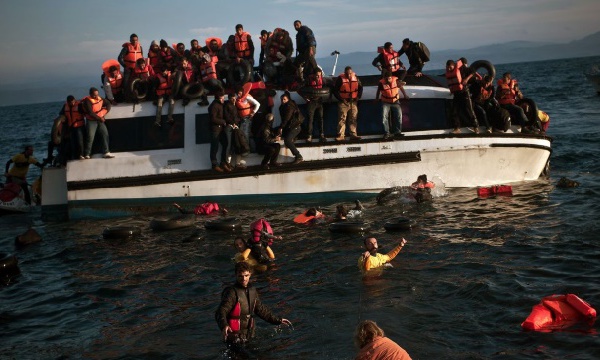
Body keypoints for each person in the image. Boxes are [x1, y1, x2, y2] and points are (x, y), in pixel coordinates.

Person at [215, 262, 292, 357]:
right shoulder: (231, 293)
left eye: (246, 275)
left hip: (248, 336)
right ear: (236, 275)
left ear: (250, 274)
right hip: (234, 338)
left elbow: (261, 310)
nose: (244, 279)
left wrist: (277, 320)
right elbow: (220, 311)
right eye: (240, 276)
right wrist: (224, 326)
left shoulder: (252, 291)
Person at [445, 59, 478, 134]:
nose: (449, 69)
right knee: (454, 110)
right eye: (448, 68)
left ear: (454, 66)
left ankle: (475, 127)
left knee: (469, 109)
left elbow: (473, 71)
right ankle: (457, 128)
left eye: (450, 67)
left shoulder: (462, 69)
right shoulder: (448, 72)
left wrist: (466, 79)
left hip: (464, 92)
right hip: (456, 93)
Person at [376, 70, 409, 140]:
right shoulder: (381, 83)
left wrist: (405, 95)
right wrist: (376, 98)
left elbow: (401, 87)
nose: (388, 80)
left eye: (389, 78)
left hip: (395, 101)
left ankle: (397, 132)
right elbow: (378, 91)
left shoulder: (396, 81)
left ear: (391, 77)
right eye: (386, 78)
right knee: (384, 117)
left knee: (399, 116)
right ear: (384, 78)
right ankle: (386, 133)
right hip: (386, 102)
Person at [82, 87, 114, 159]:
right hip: (91, 121)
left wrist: (105, 112)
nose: (96, 97)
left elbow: (108, 103)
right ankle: (87, 154)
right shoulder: (88, 101)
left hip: (99, 120)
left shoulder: (100, 98)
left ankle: (106, 152)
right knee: (90, 136)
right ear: (90, 94)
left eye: (97, 95)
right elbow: (90, 113)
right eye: (94, 95)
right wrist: (100, 118)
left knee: (105, 134)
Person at [334, 66, 363, 141]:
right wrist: (341, 99)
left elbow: (360, 87)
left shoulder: (356, 77)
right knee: (342, 119)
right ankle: (341, 135)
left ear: (352, 72)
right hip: (344, 102)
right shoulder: (340, 79)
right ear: (345, 73)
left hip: (353, 102)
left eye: (350, 73)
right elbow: (335, 90)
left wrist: (358, 97)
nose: (349, 75)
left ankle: (353, 134)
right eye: (347, 74)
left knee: (353, 118)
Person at [278, 91, 304, 164]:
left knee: (287, 141)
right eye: (282, 99)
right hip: (289, 127)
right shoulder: (282, 107)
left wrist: (281, 127)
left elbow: (287, 118)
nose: (283, 101)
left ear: (288, 99)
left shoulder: (290, 107)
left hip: (295, 127)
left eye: (284, 99)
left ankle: (298, 156)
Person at [208, 91, 231, 172]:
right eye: (222, 98)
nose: (223, 100)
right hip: (215, 129)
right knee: (215, 146)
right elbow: (213, 118)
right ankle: (214, 165)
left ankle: (223, 162)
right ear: (218, 98)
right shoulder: (214, 106)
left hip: (220, 129)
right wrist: (223, 122)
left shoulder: (220, 104)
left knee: (225, 143)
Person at [302, 68, 327, 143]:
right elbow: (300, 89)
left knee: (321, 118)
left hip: (319, 101)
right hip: (311, 102)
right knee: (310, 119)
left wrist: (328, 98)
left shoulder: (323, 80)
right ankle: (309, 136)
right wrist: (305, 98)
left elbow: (328, 88)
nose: (318, 77)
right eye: (317, 76)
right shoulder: (308, 80)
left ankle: (321, 135)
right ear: (313, 75)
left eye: (319, 75)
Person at [224, 93, 246, 170]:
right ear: (229, 99)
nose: (234, 100)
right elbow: (226, 116)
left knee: (237, 144)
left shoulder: (235, 105)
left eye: (234, 98)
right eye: (232, 98)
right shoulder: (227, 106)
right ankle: (228, 162)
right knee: (229, 145)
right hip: (230, 127)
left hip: (235, 127)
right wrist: (233, 123)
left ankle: (237, 163)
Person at [235, 86, 260, 152]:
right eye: (237, 93)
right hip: (242, 119)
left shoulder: (247, 97)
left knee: (245, 133)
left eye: (239, 93)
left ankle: (247, 149)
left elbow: (258, 104)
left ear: (242, 92)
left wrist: (253, 112)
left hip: (247, 118)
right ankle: (253, 149)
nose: (238, 95)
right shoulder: (236, 98)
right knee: (248, 134)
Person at [61, 95, 86, 160]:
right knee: (73, 142)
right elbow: (61, 114)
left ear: (74, 100)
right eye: (70, 102)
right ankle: (74, 156)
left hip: (79, 126)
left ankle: (82, 155)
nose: (72, 103)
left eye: (72, 101)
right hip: (71, 127)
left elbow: (85, 113)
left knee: (80, 141)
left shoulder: (79, 105)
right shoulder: (65, 106)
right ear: (67, 102)